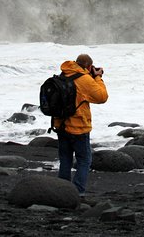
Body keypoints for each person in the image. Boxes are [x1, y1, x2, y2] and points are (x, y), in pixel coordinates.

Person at [55, 53, 108, 196]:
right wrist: (98, 77)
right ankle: (77, 192)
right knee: (84, 160)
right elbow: (102, 97)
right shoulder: (84, 79)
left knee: (65, 159)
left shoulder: (64, 74)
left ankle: (62, 190)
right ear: (89, 66)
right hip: (78, 127)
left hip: (61, 125)